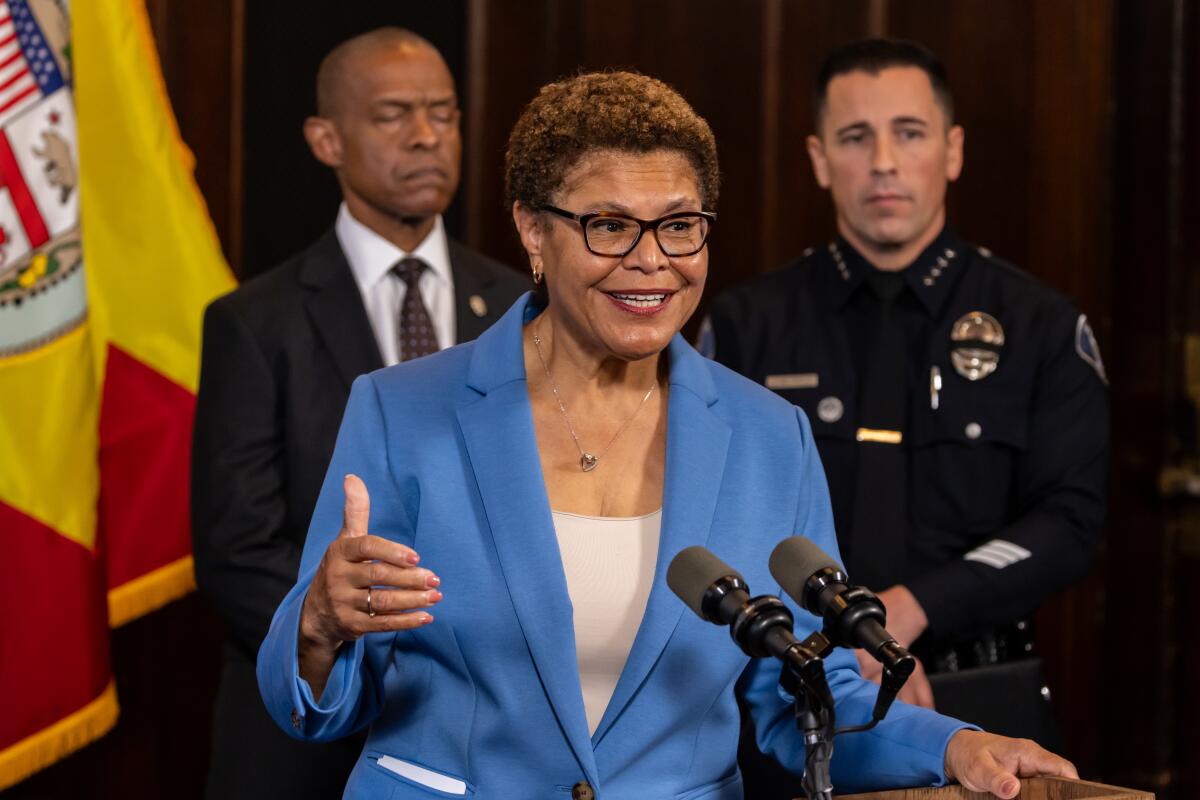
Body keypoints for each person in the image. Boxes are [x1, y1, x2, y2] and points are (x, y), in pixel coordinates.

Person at [255, 69, 1076, 800]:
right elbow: (315, 707)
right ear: (533, 231)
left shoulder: (768, 436)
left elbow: (812, 700)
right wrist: (318, 628)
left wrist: (959, 746)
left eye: (680, 225)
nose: (652, 261)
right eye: (609, 226)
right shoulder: (402, 411)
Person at [703, 39, 1108, 788]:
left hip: (978, 688)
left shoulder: (1039, 325)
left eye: (909, 133)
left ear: (952, 151)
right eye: (856, 138)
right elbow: (711, 515)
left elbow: (1070, 522)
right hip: (797, 698)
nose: (883, 160)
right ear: (820, 159)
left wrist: (912, 609)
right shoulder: (746, 325)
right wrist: (843, 640)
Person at [191, 28, 525, 800]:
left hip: (485, 730)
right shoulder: (254, 322)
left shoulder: (521, 309)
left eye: (443, 113)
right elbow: (237, 549)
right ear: (326, 139)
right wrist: (358, 646)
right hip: (300, 735)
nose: (425, 135)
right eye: (393, 114)